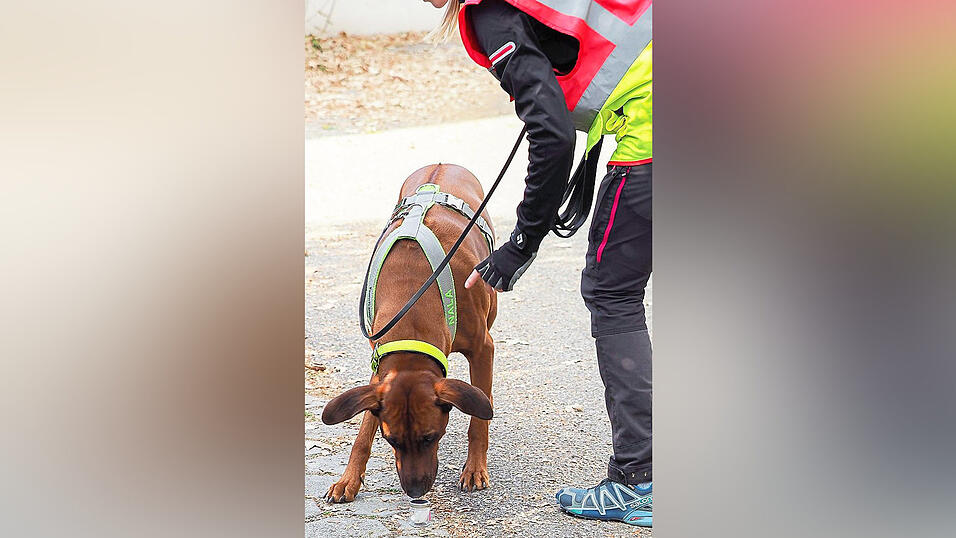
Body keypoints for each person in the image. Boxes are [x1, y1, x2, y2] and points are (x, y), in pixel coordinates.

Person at [424, 0, 653, 527]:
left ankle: (638, 483)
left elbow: (550, 132)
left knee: (613, 294)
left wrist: (521, 244)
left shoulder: (491, 13)